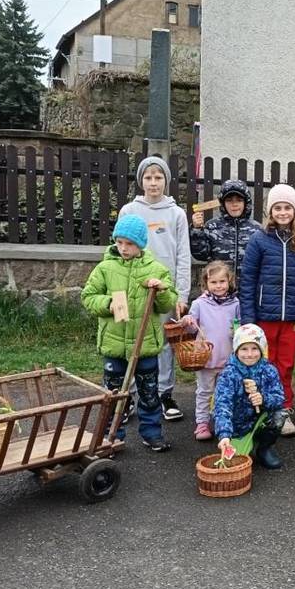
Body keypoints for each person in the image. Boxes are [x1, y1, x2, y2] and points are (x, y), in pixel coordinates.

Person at [81, 214, 178, 451]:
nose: (124, 248)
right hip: (114, 344)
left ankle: (152, 432)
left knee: (149, 392)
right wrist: (107, 304)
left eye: (130, 244)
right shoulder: (105, 268)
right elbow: (88, 297)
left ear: (141, 244)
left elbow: (166, 304)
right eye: (120, 242)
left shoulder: (156, 269)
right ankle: (110, 436)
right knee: (113, 394)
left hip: (144, 344)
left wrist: (162, 290)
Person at [239, 183, 295, 437]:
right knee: (263, 364)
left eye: (287, 207)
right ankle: (260, 409)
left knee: (285, 365)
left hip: (293, 318)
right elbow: (248, 280)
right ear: (270, 211)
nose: (283, 212)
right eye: (278, 207)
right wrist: (249, 319)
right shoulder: (259, 239)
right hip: (264, 316)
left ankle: (283, 410)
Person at [118, 156, 191, 423]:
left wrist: (181, 294)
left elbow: (183, 255)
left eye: (158, 177)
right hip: (131, 290)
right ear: (141, 181)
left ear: (166, 181)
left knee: (162, 343)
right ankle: (128, 396)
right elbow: (118, 251)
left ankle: (163, 394)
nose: (153, 183)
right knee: (130, 341)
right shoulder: (129, 211)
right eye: (148, 178)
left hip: (164, 290)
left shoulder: (176, 214)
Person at [213, 324, 286, 470]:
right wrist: (224, 434)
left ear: (261, 349)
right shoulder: (228, 374)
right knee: (233, 462)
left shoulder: (269, 370)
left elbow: (279, 398)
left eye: (254, 349)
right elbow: (222, 405)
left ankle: (264, 448)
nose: (250, 354)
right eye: (244, 349)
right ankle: (234, 439)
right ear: (236, 350)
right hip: (237, 423)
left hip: (259, 420)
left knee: (280, 415)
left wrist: (263, 399)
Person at [182, 261, 240, 441]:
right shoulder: (199, 304)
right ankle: (202, 423)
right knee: (204, 392)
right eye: (213, 282)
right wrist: (187, 322)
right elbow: (191, 330)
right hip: (205, 359)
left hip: (228, 359)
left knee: (226, 392)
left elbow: (240, 326)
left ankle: (224, 421)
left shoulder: (235, 303)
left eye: (222, 281)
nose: (218, 286)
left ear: (229, 281)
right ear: (205, 283)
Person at [189, 178, 262, 271]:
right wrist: (197, 230)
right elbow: (200, 255)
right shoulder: (212, 227)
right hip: (220, 284)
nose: (234, 204)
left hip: (248, 284)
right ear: (223, 203)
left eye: (239, 200)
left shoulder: (257, 230)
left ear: (246, 202)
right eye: (229, 200)